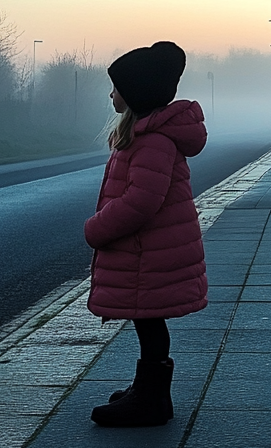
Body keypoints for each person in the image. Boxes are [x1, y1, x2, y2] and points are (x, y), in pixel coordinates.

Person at [84, 40, 208, 427]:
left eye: (117, 87)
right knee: (146, 320)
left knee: (150, 320)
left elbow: (141, 202)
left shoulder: (152, 140)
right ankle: (147, 389)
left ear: (136, 92)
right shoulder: (144, 134)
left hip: (147, 252)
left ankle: (153, 400)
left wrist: (96, 228)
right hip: (148, 250)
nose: (111, 94)